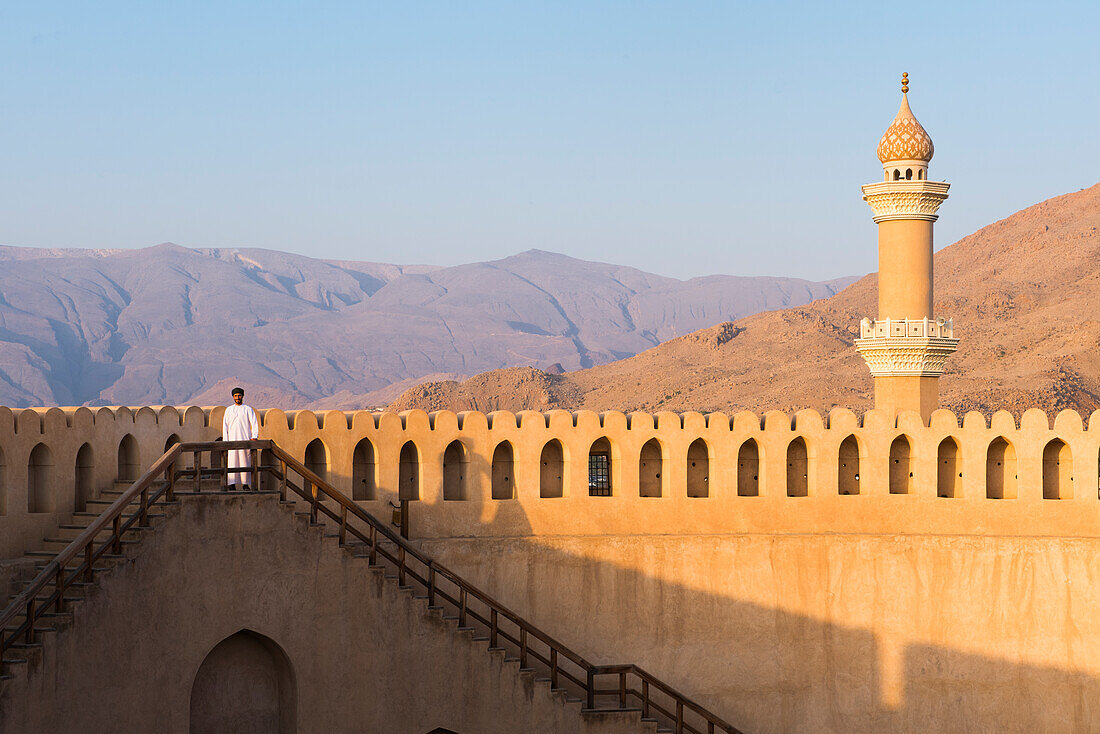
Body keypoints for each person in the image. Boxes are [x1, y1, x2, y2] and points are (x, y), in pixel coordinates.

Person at [222, 387, 259, 489]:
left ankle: (245, 484)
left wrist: (254, 436)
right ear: (233, 397)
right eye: (235, 396)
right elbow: (225, 426)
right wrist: (226, 441)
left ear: (242, 396)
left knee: (244, 461)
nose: (237, 397)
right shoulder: (228, 410)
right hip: (232, 441)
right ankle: (231, 484)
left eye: (239, 395)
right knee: (232, 462)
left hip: (244, 440)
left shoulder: (248, 409)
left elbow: (254, 423)